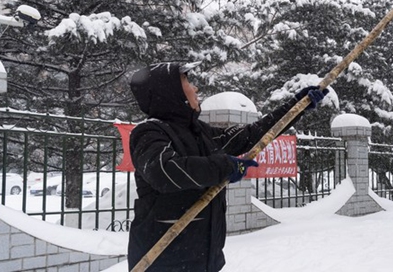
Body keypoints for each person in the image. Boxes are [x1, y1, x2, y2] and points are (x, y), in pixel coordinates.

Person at [126, 62, 327, 271]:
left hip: (205, 259)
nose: (195, 88)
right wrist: (225, 166)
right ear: (170, 92)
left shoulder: (199, 131)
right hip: (163, 261)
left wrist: (295, 107)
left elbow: (248, 136)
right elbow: (163, 171)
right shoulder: (149, 133)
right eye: (187, 81)